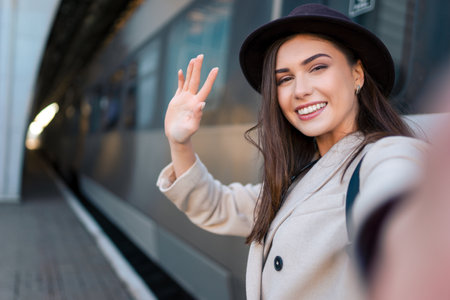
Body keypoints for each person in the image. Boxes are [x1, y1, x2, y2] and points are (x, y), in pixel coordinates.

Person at [157, 3, 428, 299]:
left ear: (357, 75)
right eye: (284, 79)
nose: (300, 90)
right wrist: (179, 142)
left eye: (317, 67)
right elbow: (215, 205)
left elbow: (400, 193)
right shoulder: (295, 179)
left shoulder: (386, 156)